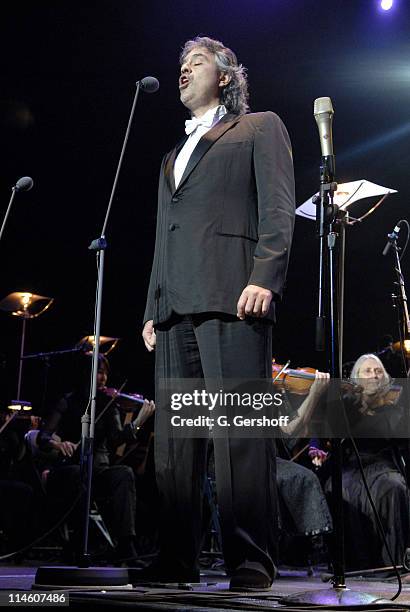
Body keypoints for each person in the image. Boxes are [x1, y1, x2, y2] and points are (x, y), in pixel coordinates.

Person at [141, 36, 295, 589]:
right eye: (180, 63)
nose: (183, 70)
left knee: (240, 438)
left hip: (235, 295)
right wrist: (151, 307)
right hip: (175, 308)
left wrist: (265, 276)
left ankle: (250, 559)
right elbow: (164, 238)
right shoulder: (170, 157)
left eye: (196, 62)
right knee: (176, 446)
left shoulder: (259, 127)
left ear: (226, 75)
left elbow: (278, 206)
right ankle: (175, 558)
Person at [37, 354, 155, 564]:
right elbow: (43, 436)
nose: (103, 378)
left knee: (124, 474)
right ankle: (79, 542)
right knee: (78, 474)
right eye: (99, 372)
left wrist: (138, 421)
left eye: (106, 373)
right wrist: (59, 444)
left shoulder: (109, 405)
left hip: (98, 471)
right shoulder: (69, 401)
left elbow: (118, 438)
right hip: (69, 469)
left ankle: (126, 545)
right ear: (87, 374)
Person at [310, 353, 410, 570]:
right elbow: (331, 430)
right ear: (356, 378)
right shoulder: (346, 407)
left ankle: (392, 565)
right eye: (367, 371)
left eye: (378, 371)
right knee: (339, 489)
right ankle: (354, 566)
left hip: (382, 466)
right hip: (350, 466)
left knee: (394, 488)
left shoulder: (394, 410)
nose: (374, 375)